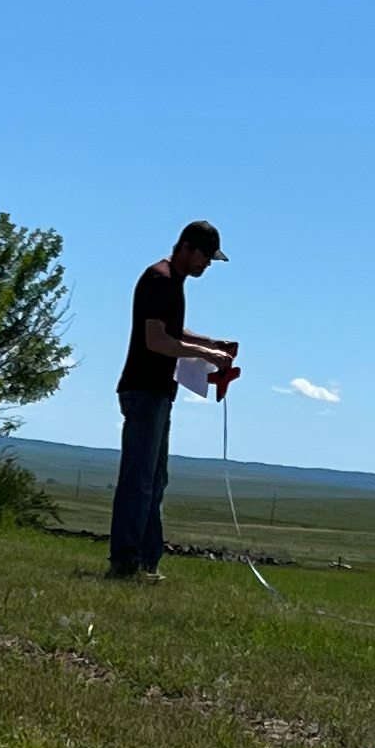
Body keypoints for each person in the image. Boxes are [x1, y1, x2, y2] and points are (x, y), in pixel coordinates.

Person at [110, 222, 237, 577]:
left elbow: (171, 332)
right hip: (144, 390)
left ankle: (146, 562)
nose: (206, 266)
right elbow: (156, 340)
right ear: (186, 247)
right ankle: (126, 560)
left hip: (159, 392)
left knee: (155, 479)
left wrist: (212, 344)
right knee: (139, 480)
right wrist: (207, 355)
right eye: (205, 257)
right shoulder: (161, 279)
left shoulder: (172, 283)